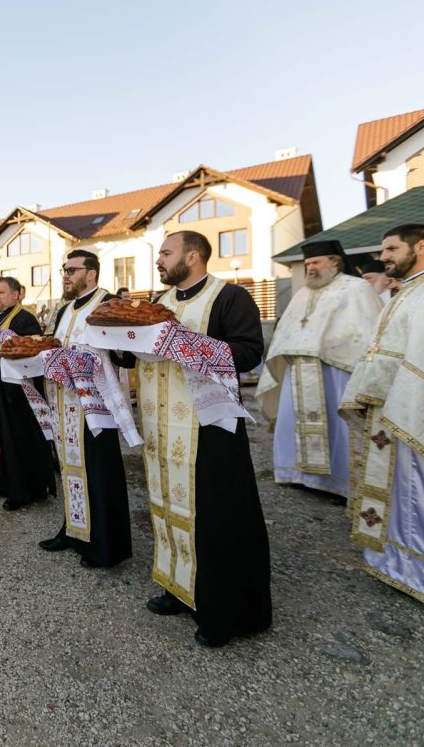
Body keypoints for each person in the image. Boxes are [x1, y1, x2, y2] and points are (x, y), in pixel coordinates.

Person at [139, 231, 271, 648]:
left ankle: (224, 610)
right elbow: (137, 352)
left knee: (216, 518)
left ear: (192, 257)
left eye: (165, 253)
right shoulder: (157, 306)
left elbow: (249, 352)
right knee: (167, 510)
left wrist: (186, 345)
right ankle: (180, 588)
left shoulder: (229, 297)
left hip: (209, 429)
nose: (159, 260)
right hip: (162, 429)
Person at [340, 223, 424, 615]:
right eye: (383, 250)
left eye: (391, 249)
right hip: (397, 408)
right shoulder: (412, 290)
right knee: (408, 494)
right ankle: (405, 567)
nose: (383, 257)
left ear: (421, 246)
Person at [256, 241, 381, 502]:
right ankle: (297, 474)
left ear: (334, 262)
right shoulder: (302, 293)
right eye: (308, 263)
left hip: (336, 370)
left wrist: (333, 348)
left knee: (339, 428)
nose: (310, 268)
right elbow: (287, 329)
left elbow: (368, 329)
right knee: (292, 421)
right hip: (298, 371)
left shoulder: (356, 288)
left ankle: (339, 483)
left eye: (316, 262)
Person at [38, 250, 134, 568]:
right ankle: (74, 531)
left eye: (70, 269)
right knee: (71, 470)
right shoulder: (64, 309)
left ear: (90, 273)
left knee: (100, 473)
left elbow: (126, 354)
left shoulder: (108, 304)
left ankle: (105, 547)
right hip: (65, 404)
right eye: (63, 269)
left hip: (97, 406)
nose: (65, 274)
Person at [0, 277, 52, 510]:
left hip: (17, 393)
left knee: (17, 439)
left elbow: (30, 351)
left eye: (2, 292)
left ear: (17, 294)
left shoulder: (25, 318)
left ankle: (21, 491)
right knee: (0, 436)